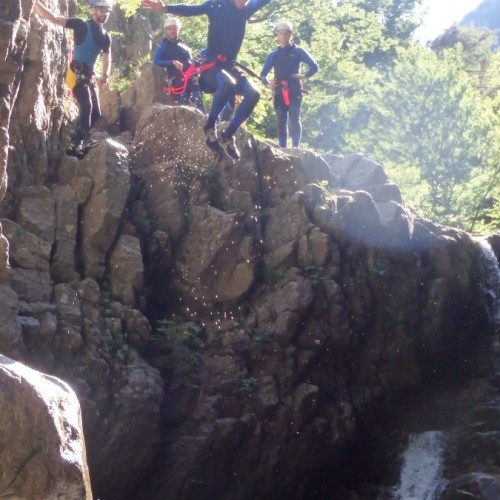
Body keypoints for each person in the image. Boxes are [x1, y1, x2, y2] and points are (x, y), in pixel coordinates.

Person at [142, 0, 273, 161]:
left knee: (254, 93)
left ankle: (227, 136)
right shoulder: (216, 5)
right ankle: (210, 127)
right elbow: (190, 9)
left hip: (230, 67)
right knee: (227, 83)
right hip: (211, 67)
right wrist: (165, 8)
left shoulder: (247, 10)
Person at [34, 0, 112, 154]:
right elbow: (55, 18)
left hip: (89, 76)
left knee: (96, 113)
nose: (104, 13)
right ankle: (85, 139)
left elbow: (107, 57)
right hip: (75, 72)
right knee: (87, 105)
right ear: (93, 10)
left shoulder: (105, 36)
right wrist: (35, 3)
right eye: (101, 10)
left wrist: (105, 75)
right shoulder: (80, 24)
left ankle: (74, 144)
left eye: (106, 11)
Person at [260, 21, 318, 148]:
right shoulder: (273, 54)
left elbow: (314, 66)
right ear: (277, 35)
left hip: (294, 88)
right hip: (279, 90)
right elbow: (263, 74)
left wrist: (305, 76)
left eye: (286, 34)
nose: (283, 36)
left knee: (294, 114)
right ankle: (282, 147)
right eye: (281, 33)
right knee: (281, 118)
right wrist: (268, 83)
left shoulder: (298, 51)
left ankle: (295, 147)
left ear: (291, 35)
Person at [153, 16, 206, 113]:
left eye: (175, 29)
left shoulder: (184, 46)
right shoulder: (162, 46)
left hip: (191, 78)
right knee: (183, 104)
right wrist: (172, 62)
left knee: (197, 99)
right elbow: (156, 61)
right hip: (176, 80)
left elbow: (191, 62)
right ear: (166, 31)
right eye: (170, 29)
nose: (172, 31)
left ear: (179, 30)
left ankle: (206, 122)